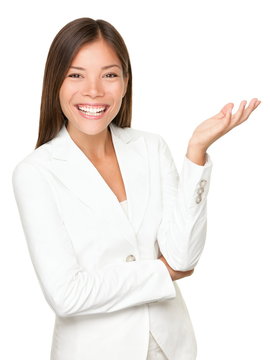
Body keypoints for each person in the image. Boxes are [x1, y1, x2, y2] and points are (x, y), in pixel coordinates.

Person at [11, 17, 261, 360]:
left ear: (126, 82)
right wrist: (161, 272)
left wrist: (196, 153)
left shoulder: (150, 148)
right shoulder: (35, 172)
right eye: (76, 74)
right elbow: (67, 295)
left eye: (109, 74)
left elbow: (183, 257)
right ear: (55, 82)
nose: (94, 90)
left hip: (172, 348)